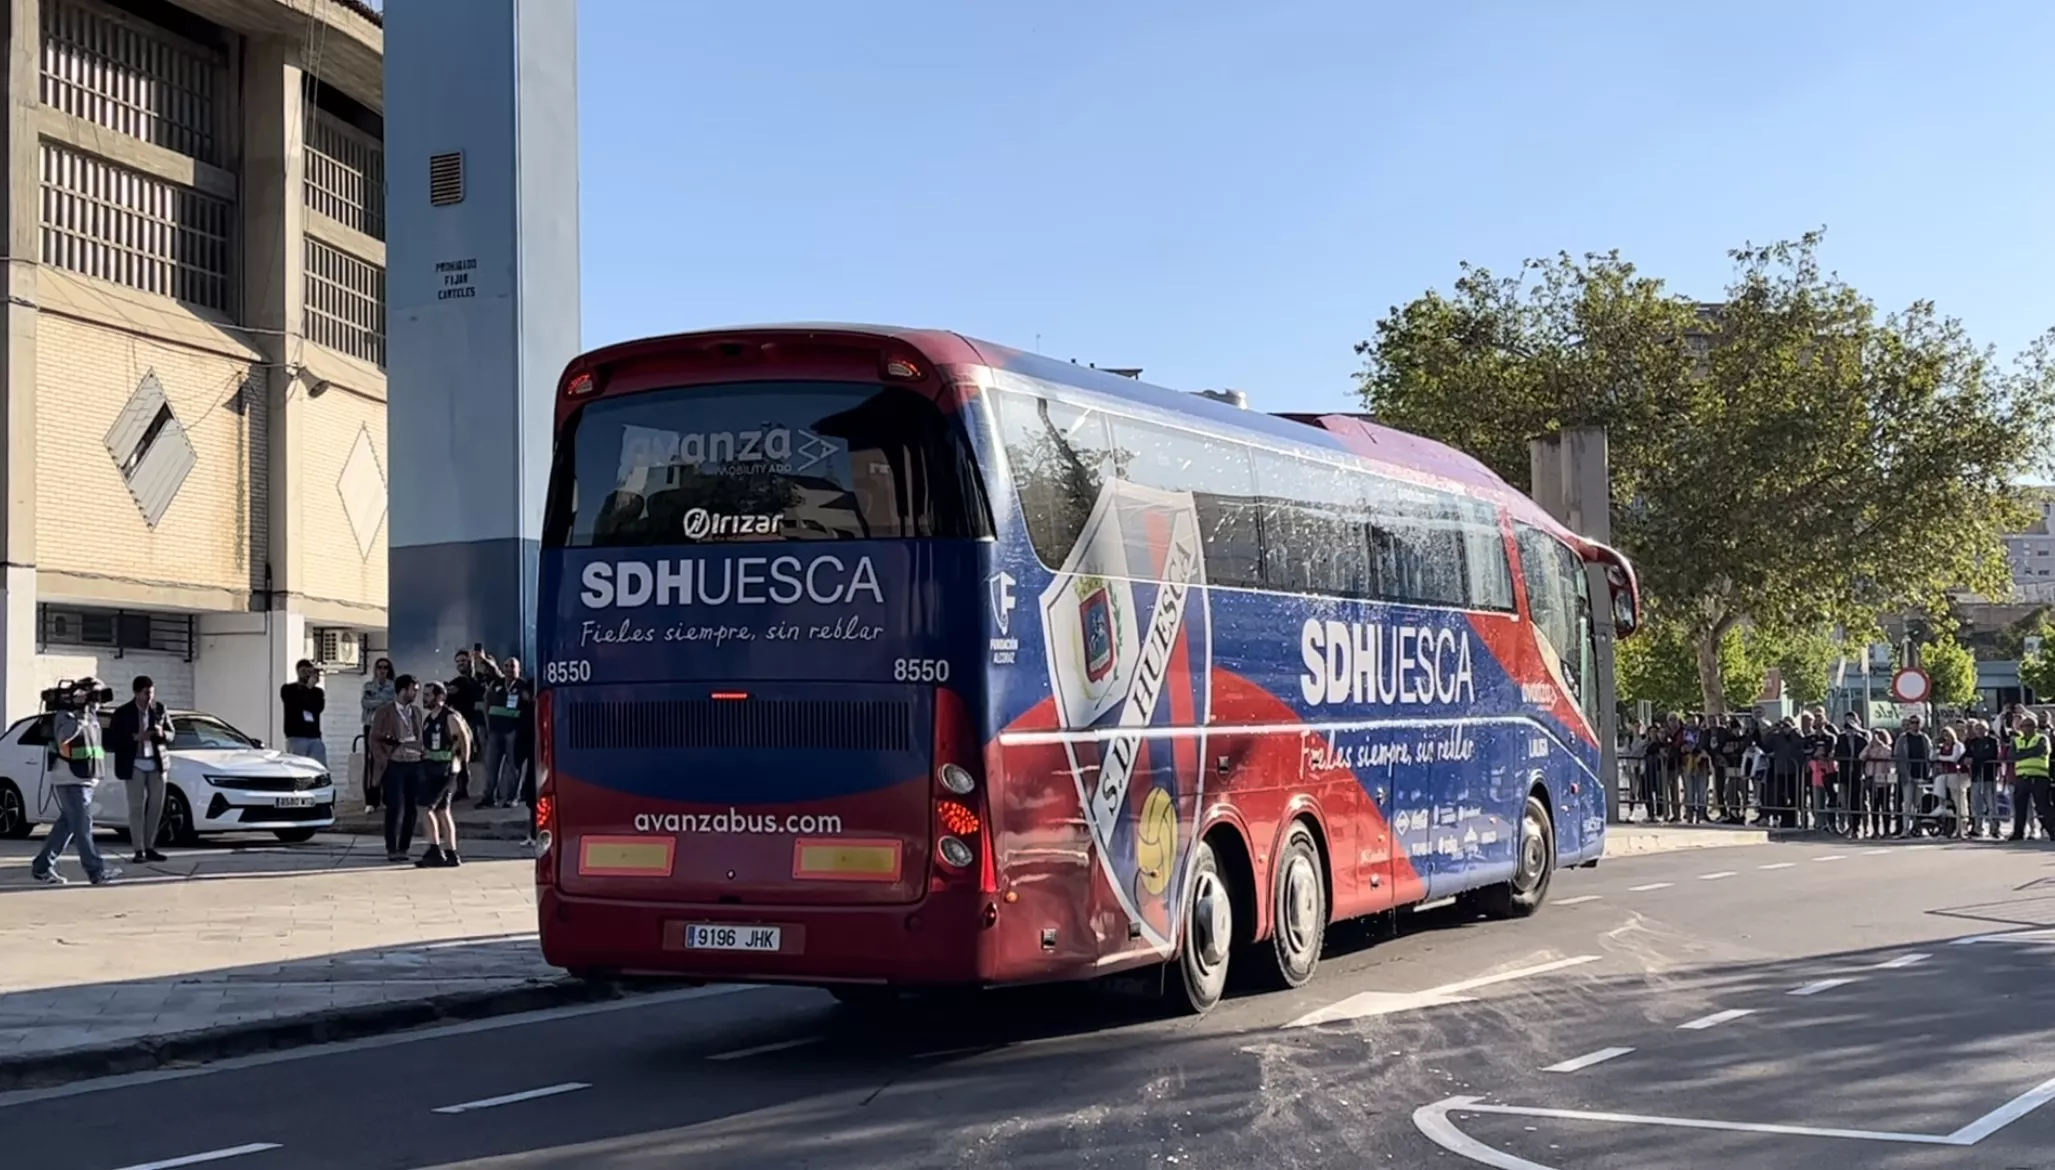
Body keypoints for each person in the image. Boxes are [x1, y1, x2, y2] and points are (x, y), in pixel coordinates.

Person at [31, 679, 118, 885]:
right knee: (83, 826)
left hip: (84, 778)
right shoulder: (67, 715)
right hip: (70, 779)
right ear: (83, 695)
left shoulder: (91, 716)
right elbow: (64, 739)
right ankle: (96, 871)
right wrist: (80, 718)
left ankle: (41, 867)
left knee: (67, 826)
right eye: (95, 695)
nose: (98, 701)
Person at [109, 675, 175, 863]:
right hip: (135, 762)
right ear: (136, 693)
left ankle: (150, 846)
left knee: (156, 806)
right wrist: (135, 737)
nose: (150, 698)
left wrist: (162, 733)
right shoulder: (123, 712)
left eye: (152, 693)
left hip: (156, 763)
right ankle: (138, 849)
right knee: (136, 807)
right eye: (146, 693)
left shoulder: (160, 709)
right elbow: (113, 738)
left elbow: (172, 734)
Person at [415, 682, 475, 867]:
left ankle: (434, 850)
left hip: (444, 770)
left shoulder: (450, 717)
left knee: (426, 808)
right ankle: (451, 853)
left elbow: (464, 739)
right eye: (424, 694)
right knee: (442, 810)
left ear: (440, 697)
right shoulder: (429, 719)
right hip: (430, 768)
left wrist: (463, 765)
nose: (424, 698)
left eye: (428, 695)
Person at [370, 674, 425, 862]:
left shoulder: (416, 712)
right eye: (413, 690)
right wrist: (384, 758)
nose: (415, 694)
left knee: (411, 807)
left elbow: (420, 737)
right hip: (394, 763)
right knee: (395, 806)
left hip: (414, 762)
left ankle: (404, 847)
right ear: (403, 690)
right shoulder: (384, 711)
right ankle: (391, 847)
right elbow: (374, 738)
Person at [477, 653, 532, 809]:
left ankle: (511, 798)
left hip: (513, 732)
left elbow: (530, 706)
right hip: (495, 731)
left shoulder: (523, 686)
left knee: (513, 767)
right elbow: (486, 702)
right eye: (506, 666)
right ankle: (488, 798)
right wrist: (488, 725)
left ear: (519, 670)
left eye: (512, 667)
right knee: (491, 766)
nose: (509, 669)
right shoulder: (496, 684)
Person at [446, 648, 488, 802]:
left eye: (463, 661)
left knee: (486, 757)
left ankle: (488, 790)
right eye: (458, 662)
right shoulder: (456, 683)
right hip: (463, 725)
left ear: (470, 661)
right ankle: (461, 788)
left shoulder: (480, 679)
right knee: (459, 756)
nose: (461, 664)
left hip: (481, 724)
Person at [359, 657, 396, 812]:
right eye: (379, 667)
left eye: (385, 667)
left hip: (387, 727)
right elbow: (365, 703)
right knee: (371, 763)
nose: (382, 670)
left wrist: (377, 702)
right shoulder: (368, 685)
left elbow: (391, 703)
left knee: (387, 763)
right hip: (370, 726)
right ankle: (371, 800)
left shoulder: (393, 687)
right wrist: (381, 702)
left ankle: (388, 798)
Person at [2008, 713, 2052, 842]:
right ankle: (2018, 833)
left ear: (2035, 727)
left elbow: (2040, 751)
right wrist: (2029, 753)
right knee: (2020, 807)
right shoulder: (2017, 740)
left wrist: (2023, 753)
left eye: (2029, 725)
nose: (2026, 728)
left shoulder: (2042, 738)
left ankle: (2052, 831)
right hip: (2022, 777)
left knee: (2042, 806)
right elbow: (2013, 756)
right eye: (2023, 726)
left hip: (2039, 777)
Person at [281, 659, 327, 764]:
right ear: (298, 672)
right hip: (296, 735)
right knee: (298, 766)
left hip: (314, 736)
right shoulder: (288, 689)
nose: (306, 675)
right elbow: (296, 704)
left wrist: (310, 688)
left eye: (309, 672)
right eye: (304, 671)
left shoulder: (317, 692)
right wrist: (307, 688)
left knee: (319, 766)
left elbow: (317, 708)